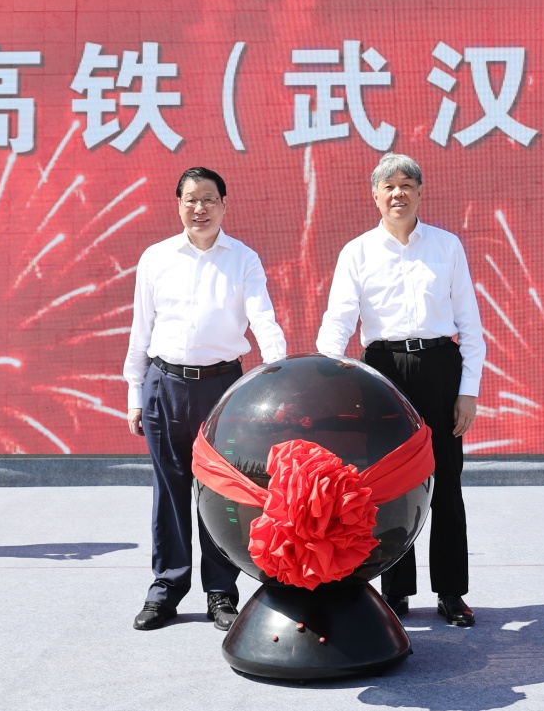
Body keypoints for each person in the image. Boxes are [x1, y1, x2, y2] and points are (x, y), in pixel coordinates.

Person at [316, 153, 486, 627]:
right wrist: (325, 371)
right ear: (375, 195)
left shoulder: (446, 246)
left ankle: (451, 592)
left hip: (439, 368)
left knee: (446, 483)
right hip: (382, 372)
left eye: (407, 185)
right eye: (388, 186)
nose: (398, 194)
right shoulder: (357, 252)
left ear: (420, 193)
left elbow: (470, 324)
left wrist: (468, 391)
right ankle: (395, 591)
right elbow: (338, 319)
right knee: (388, 484)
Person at [123, 167, 287, 631]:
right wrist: (135, 392)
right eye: (191, 199)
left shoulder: (243, 259)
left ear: (224, 204)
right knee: (169, 490)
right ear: (178, 205)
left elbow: (263, 318)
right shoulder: (156, 258)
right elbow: (141, 328)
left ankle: (221, 592)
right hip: (164, 385)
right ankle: (166, 589)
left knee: (221, 490)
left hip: (222, 389)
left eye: (209, 199)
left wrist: (280, 373)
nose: (200, 208)